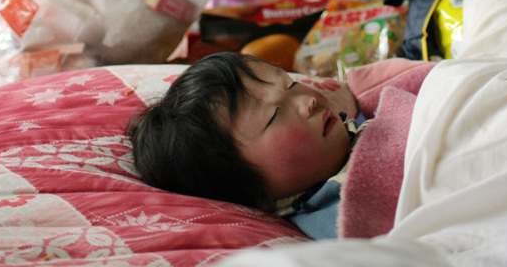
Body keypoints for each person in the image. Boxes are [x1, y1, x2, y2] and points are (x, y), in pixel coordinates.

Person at [127, 52, 363, 239]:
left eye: (291, 85)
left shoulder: (358, 115)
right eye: (273, 116)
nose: (308, 101)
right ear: (253, 194)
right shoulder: (344, 217)